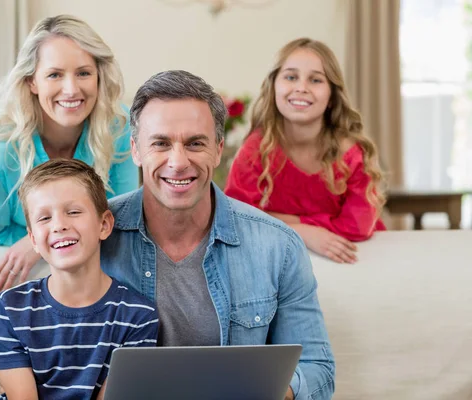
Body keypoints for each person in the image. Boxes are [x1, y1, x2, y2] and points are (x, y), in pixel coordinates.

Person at [100, 70, 335, 400]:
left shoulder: (277, 246)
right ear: (136, 150)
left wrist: (272, 392)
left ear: (219, 149)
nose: (178, 162)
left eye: (195, 143)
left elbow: (318, 369)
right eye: (161, 143)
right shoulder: (96, 237)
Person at [0, 15, 138, 293]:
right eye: (54, 74)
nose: (71, 89)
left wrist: (45, 243)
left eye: (83, 73)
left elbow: (122, 212)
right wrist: (40, 241)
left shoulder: (119, 128)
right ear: (32, 81)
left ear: (99, 76)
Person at [0, 159, 158, 400]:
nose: (59, 225)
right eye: (44, 218)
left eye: (74, 212)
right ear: (33, 239)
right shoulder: (11, 307)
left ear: (104, 224)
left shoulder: (138, 316)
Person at [225, 38, 386, 265]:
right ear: (273, 87)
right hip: (287, 262)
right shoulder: (256, 149)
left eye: (316, 80)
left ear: (331, 96)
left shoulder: (349, 153)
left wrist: (284, 220)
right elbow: (237, 218)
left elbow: (357, 226)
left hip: (357, 260)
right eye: (291, 77)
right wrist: (302, 232)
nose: (301, 87)